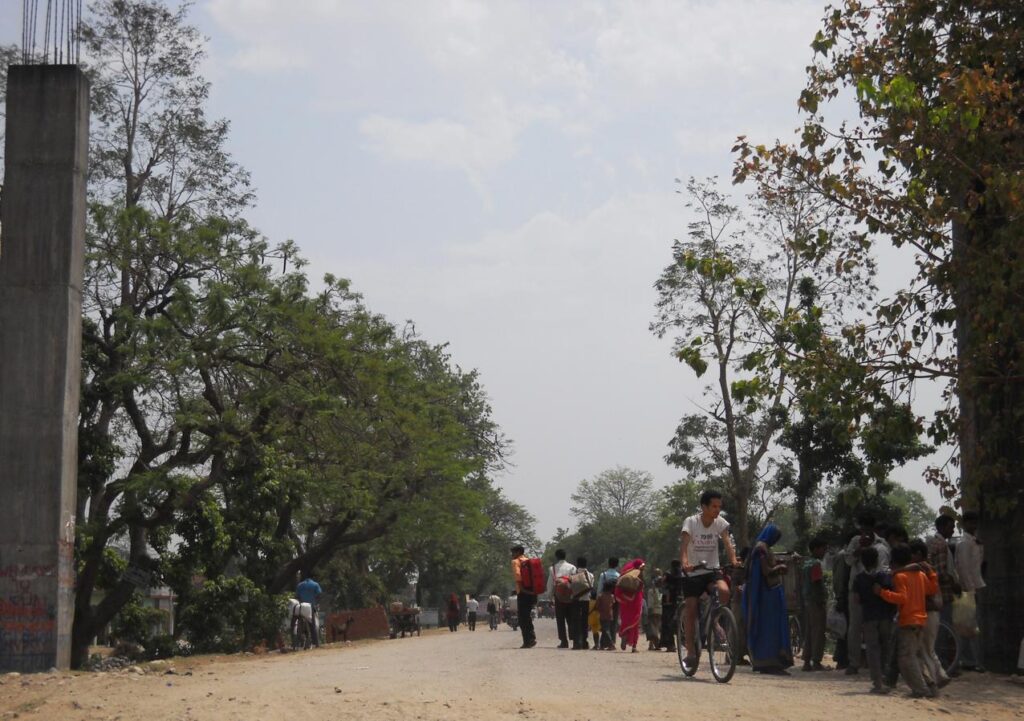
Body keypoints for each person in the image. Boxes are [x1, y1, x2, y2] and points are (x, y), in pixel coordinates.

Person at [679, 490, 739, 670]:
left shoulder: (720, 523)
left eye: (719, 507)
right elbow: (683, 546)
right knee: (691, 610)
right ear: (703, 507)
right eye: (714, 506)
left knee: (724, 591)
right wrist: (685, 563)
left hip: (711, 570)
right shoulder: (691, 522)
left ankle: (715, 618)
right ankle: (690, 651)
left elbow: (728, 543)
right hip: (693, 572)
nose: (717, 510)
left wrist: (734, 560)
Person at [876, 543, 939, 698]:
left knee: (906, 658)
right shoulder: (920, 575)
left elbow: (902, 598)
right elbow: (932, 589)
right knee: (915, 657)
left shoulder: (900, 576)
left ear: (893, 561)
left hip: (908, 620)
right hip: (920, 620)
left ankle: (920, 689)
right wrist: (930, 571)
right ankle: (930, 685)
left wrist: (882, 593)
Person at [843, 513, 890, 675]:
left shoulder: (881, 544)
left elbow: (883, 568)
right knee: (855, 627)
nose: (864, 532)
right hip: (856, 590)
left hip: (875, 592)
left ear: (872, 528)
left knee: (875, 628)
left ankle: (878, 664)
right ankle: (854, 663)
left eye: (867, 528)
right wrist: (858, 550)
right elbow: (848, 561)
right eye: (862, 529)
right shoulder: (854, 542)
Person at [743, 523, 793, 674]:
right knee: (770, 629)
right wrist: (779, 568)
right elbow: (766, 572)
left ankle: (768, 663)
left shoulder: (762, 548)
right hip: (767, 596)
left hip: (769, 594)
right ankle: (770, 663)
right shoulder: (761, 549)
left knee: (770, 628)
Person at [854, 546, 894, 694]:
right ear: (877, 560)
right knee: (886, 647)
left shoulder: (859, 579)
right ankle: (886, 677)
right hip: (885, 616)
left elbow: (857, 599)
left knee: (872, 649)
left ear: (862, 562)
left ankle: (877, 682)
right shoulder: (884, 576)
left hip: (869, 617)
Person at [909, 538, 949, 687]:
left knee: (922, 651)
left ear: (918, 554)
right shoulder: (930, 568)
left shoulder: (920, 569)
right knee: (928, 649)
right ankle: (939, 675)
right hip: (933, 613)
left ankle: (932, 681)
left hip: (925, 612)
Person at [954, 510, 985, 672]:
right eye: (970, 522)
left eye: (975, 522)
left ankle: (969, 660)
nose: (974, 525)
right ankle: (970, 661)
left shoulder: (974, 541)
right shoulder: (964, 543)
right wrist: (971, 591)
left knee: (970, 625)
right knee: (968, 625)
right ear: (965, 524)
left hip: (975, 586)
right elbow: (963, 569)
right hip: (968, 589)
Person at [801, 536, 829, 671]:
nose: (824, 552)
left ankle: (806, 661)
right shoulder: (816, 564)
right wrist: (822, 599)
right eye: (823, 549)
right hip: (816, 601)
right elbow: (817, 582)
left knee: (809, 631)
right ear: (816, 549)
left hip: (807, 600)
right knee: (818, 632)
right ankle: (816, 661)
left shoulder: (806, 563)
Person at [615, 558, 645, 653]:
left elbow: (618, 587)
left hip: (626, 602)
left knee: (625, 620)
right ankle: (634, 646)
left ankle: (624, 635)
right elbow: (641, 586)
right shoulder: (639, 573)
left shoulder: (625, 573)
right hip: (636, 600)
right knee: (635, 623)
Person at [548, 548, 577, 649]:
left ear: (557, 557)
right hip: (570, 596)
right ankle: (574, 639)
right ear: (565, 556)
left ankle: (564, 641)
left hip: (559, 597)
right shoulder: (572, 567)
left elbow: (550, 584)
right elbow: (575, 582)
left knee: (560, 619)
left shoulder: (553, 568)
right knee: (571, 619)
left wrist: (550, 596)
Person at [510, 545, 537, 648]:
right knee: (528, 616)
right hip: (532, 592)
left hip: (523, 592)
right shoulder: (529, 561)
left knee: (522, 618)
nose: (512, 555)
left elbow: (518, 576)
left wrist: (522, 589)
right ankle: (531, 638)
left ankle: (528, 641)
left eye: (513, 552)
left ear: (518, 552)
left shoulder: (516, 562)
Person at [571, 556, 594, 650]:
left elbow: (569, 587)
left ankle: (577, 643)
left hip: (575, 600)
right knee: (584, 622)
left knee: (576, 621)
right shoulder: (590, 575)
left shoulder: (573, 574)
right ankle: (584, 642)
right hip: (586, 600)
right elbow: (591, 587)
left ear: (577, 564)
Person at [595, 557, 621, 637]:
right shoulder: (619, 576)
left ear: (608, 564)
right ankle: (612, 640)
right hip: (616, 600)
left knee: (604, 621)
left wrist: (597, 601)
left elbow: (599, 589)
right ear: (617, 565)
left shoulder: (603, 575)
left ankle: (605, 642)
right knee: (614, 620)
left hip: (605, 600)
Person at [295, 571, 323, 647]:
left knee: (298, 625)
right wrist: (316, 603)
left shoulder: (299, 585)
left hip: (301, 608)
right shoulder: (315, 584)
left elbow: (296, 596)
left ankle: (297, 643)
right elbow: (319, 595)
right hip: (310, 607)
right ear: (312, 577)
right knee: (313, 625)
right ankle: (316, 643)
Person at [660, 561, 683, 652]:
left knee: (668, 623)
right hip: (681, 600)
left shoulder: (668, 574)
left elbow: (663, 584)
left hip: (669, 602)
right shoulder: (682, 573)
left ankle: (670, 645)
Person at [645, 570, 663, 651]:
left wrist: (649, 610)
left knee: (653, 628)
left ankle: (654, 644)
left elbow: (650, 603)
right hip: (660, 610)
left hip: (653, 610)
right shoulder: (661, 591)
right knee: (655, 627)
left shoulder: (651, 591)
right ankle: (652, 644)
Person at [597, 579, 616, 649]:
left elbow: (597, 606)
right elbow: (613, 604)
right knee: (605, 629)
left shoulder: (600, 596)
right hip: (610, 615)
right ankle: (602, 645)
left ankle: (611, 644)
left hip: (602, 615)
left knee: (605, 630)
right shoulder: (612, 596)